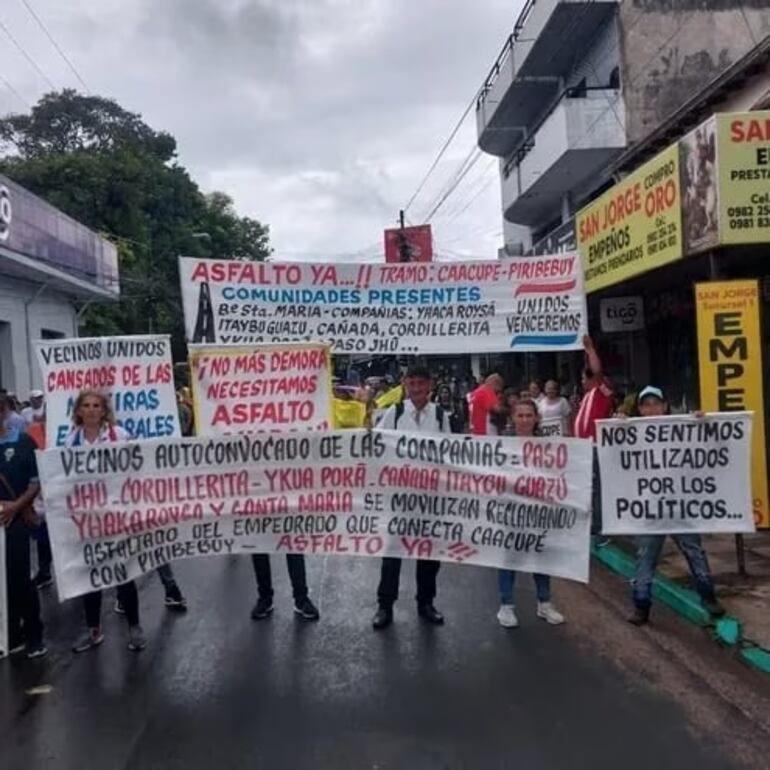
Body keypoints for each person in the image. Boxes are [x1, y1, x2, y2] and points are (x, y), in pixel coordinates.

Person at [627, 386, 726, 625]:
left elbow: (711, 446)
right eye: (646, 405)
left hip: (681, 507)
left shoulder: (682, 430)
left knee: (695, 553)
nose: (652, 409)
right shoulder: (631, 433)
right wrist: (618, 422)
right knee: (645, 559)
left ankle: (709, 598)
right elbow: (615, 455)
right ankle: (641, 606)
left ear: (665, 406)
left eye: (656, 404)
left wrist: (703, 423)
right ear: (640, 409)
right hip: (650, 510)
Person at [67, 391, 148, 652]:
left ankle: (134, 627)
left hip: (117, 518)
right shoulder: (71, 440)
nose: (91, 410)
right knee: (92, 576)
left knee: (123, 575)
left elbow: (137, 467)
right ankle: (93, 630)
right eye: (86, 405)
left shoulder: (119, 435)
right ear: (79, 411)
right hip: (89, 521)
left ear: (104, 411)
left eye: (96, 405)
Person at [372, 364, 447, 630]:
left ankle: (426, 602)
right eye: (412, 383)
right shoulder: (395, 413)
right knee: (392, 554)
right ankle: (385, 605)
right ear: (405, 385)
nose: (416, 389)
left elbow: (450, 453)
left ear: (430, 386)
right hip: (398, 498)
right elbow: (376, 445)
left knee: (428, 553)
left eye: (421, 383)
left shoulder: (440, 415)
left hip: (429, 497)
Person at [496, 399, 565, 628]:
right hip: (510, 511)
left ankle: (544, 603)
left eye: (529, 415)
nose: (525, 420)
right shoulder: (501, 446)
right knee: (509, 558)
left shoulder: (549, 447)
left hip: (538, 512)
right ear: (512, 418)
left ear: (537, 418)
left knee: (541, 557)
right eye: (520, 415)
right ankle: (506, 606)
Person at [0, 394, 47, 658]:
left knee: (20, 577)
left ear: (3, 412)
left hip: (16, 521)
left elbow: (35, 482)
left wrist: (16, 506)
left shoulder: (23, 442)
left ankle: (33, 634)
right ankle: (10, 634)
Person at [573, 336, 614, 544]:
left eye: (584, 378)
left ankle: (601, 529)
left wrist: (590, 350)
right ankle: (593, 524)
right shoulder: (587, 396)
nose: (582, 382)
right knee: (589, 488)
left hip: (596, 448)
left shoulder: (601, 391)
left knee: (597, 489)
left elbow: (596, 371)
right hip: (584, 449)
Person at [25, 412, 53, 589]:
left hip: (66, 495)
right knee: (43, 538)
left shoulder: (72, 432)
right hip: (41, 495)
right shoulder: (31, 432)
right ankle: (44, 572)